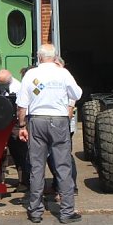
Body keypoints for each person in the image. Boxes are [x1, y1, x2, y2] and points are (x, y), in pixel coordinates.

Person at [16, 44, 83, 224]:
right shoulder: (63, 73)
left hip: (37, 120)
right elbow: (77, 93)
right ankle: (67, 211)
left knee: (37, 166)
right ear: (55, 57)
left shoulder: (31, 74)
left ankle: (35, 211)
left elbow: (22, 104)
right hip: (59, 120)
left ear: (38, 57)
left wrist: (22, 126)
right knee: (63, 165)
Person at [48, 56, 78, 198]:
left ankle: (70, 186)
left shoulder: (65, 77)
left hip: (63, 124)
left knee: (64, 156)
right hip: (55, 123)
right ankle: (58, 185)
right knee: (54, 156)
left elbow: (72, 103)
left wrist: (65, 123)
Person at [0, 69, 29, 190]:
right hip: (4, 120)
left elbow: (21, 108)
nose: (0, 85)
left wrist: (21, 125)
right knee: (13, 151)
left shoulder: (17, 87)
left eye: (2, 83)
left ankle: (25, 181)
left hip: (16, 121)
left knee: (20, 150)